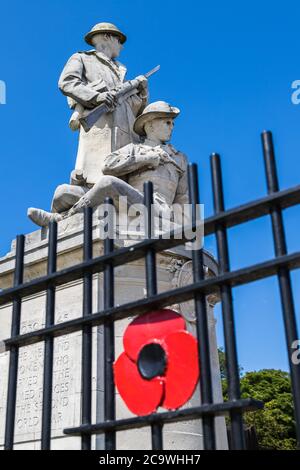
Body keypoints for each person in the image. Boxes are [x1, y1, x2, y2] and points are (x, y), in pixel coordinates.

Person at [28, 102, 189, 227]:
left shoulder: (179, 157)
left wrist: (183, 227)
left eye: (172, 123)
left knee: (107, 183)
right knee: (61, 192)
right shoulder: (134, 149)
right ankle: (65, 214)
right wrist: (145, 159)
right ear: (150, 125)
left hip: (157, 208)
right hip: (128, 198)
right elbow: (108, 165)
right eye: (167, 122)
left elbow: (184, 197)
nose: (172, 127)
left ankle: (64, 218)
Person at [58, 22, 148, 185]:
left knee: (123, 185)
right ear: (107, 37)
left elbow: (133, 108)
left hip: (125, 133)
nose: (122, 46)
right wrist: (96, 97)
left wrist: (142, 92)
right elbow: (67, 82)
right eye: (119, 41)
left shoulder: (120, 70)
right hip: (100, 127)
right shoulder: (83, 58)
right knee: (96, 178)